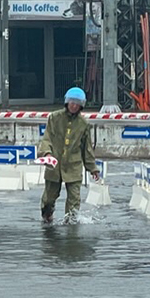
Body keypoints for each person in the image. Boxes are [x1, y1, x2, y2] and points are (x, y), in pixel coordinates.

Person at [37, 86, 100, 223]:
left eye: (77, 104)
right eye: (72, 103)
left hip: (74, 166)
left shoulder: (84, 124)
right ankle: (47, 216)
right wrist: (46, 154)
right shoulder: (54, 118)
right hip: (54, 164)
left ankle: (71, 224)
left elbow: (86, 149)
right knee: (49, 198)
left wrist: (93, 168)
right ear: (67, 102)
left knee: (74, 199)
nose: (74, 106)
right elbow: (46, 139)